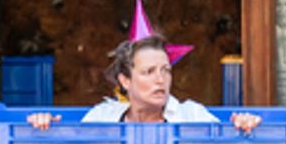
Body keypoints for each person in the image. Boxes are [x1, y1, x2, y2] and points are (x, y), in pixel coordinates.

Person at [26, 34, 261, 133]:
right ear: (125, 80)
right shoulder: (102, 117)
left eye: (165, 71)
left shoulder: (193, 116)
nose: (160, 79)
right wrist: (43, 127)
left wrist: (243, 127)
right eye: (148, 72)